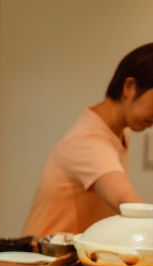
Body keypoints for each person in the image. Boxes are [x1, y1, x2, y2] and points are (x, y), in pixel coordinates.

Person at [22, 43, 153, 237]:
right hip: (44, 260)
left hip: (67, 260)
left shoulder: (118, 134)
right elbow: (129, 205)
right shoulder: (89, 141)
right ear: (129, 87)